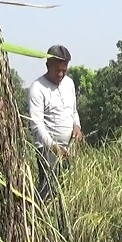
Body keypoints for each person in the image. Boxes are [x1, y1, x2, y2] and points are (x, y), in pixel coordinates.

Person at [27, 45, 83, 201]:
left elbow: (73, 111)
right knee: (48, 191)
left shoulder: (69, 84)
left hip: (69, 150)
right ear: (47, 66)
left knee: (67, 191)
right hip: (47, 152)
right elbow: (36, 125)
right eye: (57, 70)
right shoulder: (37, 89)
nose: (60, 74)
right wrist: (54, 147)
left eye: (64, 70)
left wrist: (77, 126)